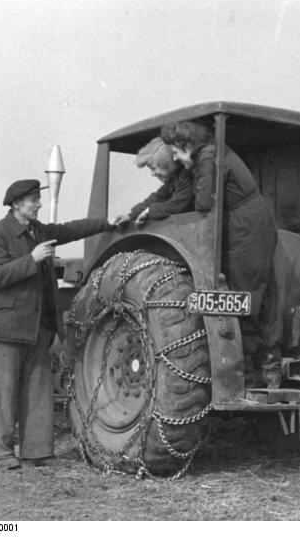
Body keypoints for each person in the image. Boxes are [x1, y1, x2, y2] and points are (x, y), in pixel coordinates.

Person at [0, 179, 117, 470]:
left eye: (38, 199)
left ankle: (36, 451)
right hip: (7, 328)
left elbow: (72, 229)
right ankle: (1, 454)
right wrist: (32, 259)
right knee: (4, 393)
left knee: (37, 391)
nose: (39, 204)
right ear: (17, 205)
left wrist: (108, 223)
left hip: (38, 327)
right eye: (33, 200)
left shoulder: (40, 231)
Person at [161, 121, 281, 386]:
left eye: (177, 153)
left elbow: (203, 202)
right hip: (250, 223)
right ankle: (265, 368)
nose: (176, 159)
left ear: (186, 145)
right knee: (257, 294)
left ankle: (256, 373)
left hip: (244, 227)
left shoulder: (207, 157)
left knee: (244, 296)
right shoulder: (215, 152)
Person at [113, 136, 194, 228]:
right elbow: (156, 198)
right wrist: (130, 216)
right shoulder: (174, 180)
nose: (152, 174)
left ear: (166, 163)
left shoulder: (187, 177)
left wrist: (149, 211)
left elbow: (175, 206)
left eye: (153, 168)